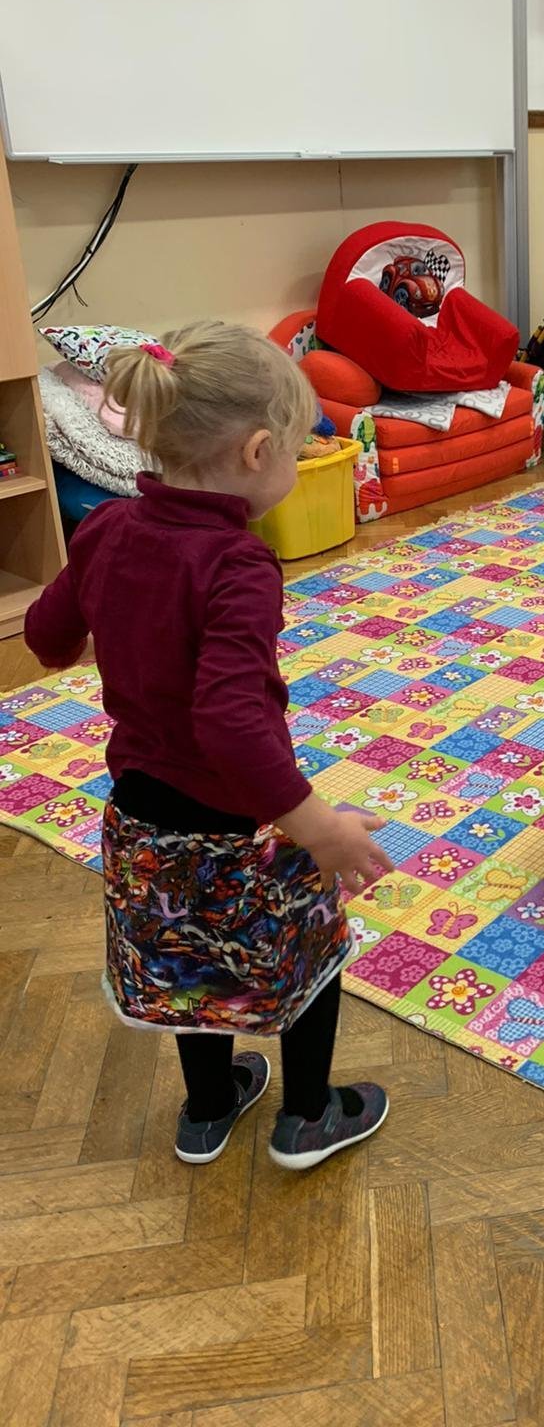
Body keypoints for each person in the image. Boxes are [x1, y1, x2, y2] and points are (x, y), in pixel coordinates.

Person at [24, 322, 395, 1169]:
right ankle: (308, 1117)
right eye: (296, 450)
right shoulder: (238, 564)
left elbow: (46, 637)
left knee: (186, 961)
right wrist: (320, 829)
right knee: (309, 952)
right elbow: (230, 723)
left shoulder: (106, 530)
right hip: (240, 826)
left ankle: (208, 1107)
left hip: (140, 817)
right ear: (258, 451)